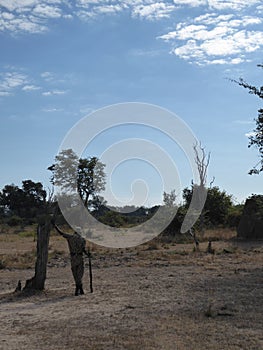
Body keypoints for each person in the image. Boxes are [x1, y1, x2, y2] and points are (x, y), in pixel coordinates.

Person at [54, 225, 87, 296]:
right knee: (80, 273)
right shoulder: (82, 239)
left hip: (73, 258)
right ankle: (80, 288)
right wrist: (88, 254)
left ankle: (78, 288)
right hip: (80, 257)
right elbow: (84, 249)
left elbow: (61, 233)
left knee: (75, 273)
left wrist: (55, 226)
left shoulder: (71, 237)